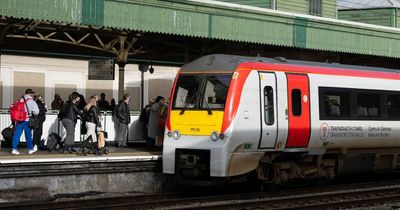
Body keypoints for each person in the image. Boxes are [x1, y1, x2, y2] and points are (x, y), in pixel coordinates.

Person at [11, 89, 39, 155]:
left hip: (19, 120)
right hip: (27, 120)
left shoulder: (20, 100)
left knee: (17, 135)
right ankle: (30, 149)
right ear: (30, 94)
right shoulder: (31, 101)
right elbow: (36, 112)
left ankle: (14, 149)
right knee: (28, 135)